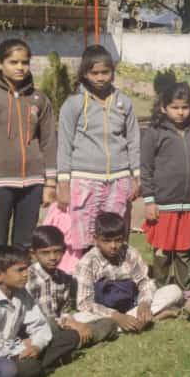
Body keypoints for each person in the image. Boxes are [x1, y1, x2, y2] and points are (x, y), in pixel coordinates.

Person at [55, 45, 140, 272]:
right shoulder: (73, 104)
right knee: (84, 234)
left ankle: (112, 280)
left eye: (106, 72)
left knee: (113, 233)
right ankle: (83, 280)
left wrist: (135, 175)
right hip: (84, 180)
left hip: (119, 178)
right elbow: (63, 144)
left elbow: (133, 140)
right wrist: (63, 182)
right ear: (84, 73)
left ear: (113, 72)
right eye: (95, 73)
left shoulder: (124, 103)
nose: (101, 78)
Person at [0, 39, 56, 250]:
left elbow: (48, 141)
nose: (20, 67)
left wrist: (50, 183)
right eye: (13, 62)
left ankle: (20, 283)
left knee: (24, 245)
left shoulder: (39, 99)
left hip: (32, 183)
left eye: (25, 62)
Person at [72, 212, 183, 333]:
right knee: (80, 317)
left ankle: (125, 324)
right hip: (104, 313)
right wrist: (116, 316)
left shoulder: (129, 252)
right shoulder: (87, 263)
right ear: (95, 239)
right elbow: (85, 303)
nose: (113, 246)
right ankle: (141, 321)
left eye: (118, 240)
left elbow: (144, 282)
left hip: (131, 305)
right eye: (106, 241)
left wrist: (144, 304)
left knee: (174, 291)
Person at [141, 82, 190, 286]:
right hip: (163, 204)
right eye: (175, 107)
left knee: (185, 251)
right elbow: (146, 168)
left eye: (185, 107)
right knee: (163, 250)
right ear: (163, 108)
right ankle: (159, 289)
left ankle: (184, 291)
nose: (180, 112)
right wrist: (150, 200)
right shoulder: (154, 133)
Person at [0, 245, 79, 377]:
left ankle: (35, 367)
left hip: (17, 347)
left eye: (26, 268)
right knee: (19, 368)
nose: (26, 273)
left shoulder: (21, 293)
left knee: (71, 336)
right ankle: (36, 367)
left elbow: (39, 325)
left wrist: (37, 346)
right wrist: (22, 349)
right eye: (20, 270)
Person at [27, 227, 117, 348]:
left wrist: (71, 322)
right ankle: (76, 340)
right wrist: (68, 324)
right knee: (50, 325)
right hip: (38, 328)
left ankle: (73, 341)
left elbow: (65, 310)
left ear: (64, 250)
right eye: (45, 252)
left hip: (62, 325)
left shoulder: (64, 278)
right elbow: (32, 319)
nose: (53, 257)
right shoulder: (28, 279)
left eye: (57, 251)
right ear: (33, 254)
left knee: (108, 323)